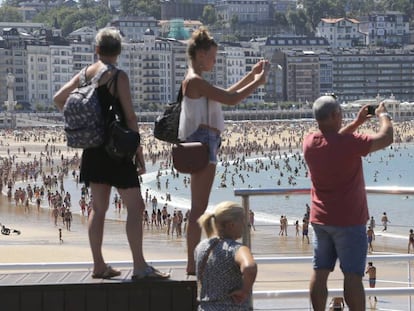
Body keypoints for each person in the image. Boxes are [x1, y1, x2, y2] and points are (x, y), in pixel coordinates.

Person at [53, 27, 169, 280]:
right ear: (118, 51)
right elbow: (130, 116)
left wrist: (87, 123)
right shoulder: (118, 76)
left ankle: (99, 265)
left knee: (99, 207)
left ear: (96, 49)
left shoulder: (84, 74)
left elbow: (59, 98)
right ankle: (139, 266)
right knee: (136, 207)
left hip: (93, 149)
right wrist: (138, 150)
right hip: (116, 150)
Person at [178, 27, 270, 275]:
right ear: (199, 54)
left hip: (204, 141)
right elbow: (231, 100)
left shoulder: (196, 80)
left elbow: (226, 95)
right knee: (198, 208)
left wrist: (251, 76)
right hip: (203, 143)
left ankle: (193, 260)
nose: (214, 60)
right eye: (212, 56)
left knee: (199, 207)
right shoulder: (195, 80)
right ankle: (191, 262)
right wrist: (258, 83)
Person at [303, 95, 393, 311]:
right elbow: (386, 137)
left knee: (320, 271)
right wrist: (383, 115)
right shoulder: (350, 144)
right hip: (349, 220)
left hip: (320, 220)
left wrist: (357, 122)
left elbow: (332, 141)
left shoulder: (309, 142)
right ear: (335, 115)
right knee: (352, 276)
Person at [195, 201, 257, 310]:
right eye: (242, 221)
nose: (246, 225)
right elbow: (249, 268)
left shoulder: (201, 246)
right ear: (231, 225)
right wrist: (244, 291)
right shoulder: (236, 249)